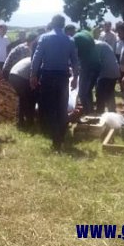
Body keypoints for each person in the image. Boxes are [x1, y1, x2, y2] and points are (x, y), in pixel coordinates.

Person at [31, 14, 79, 150]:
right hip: (63, 77)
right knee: (61, 106)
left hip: (47, 75)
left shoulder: (44, 38)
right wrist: (75, 77)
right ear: (63, 25)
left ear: (52, 23)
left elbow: (36, 58)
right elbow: (75, 60)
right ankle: (60, 135)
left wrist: (33, 75)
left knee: (49, 106)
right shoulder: (69, 40)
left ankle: (54, 136)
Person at [73, 30, 101, 114]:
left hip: (87, 67)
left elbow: (74, 54)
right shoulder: (86, 33)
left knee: (82, 93)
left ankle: (88, 114)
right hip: (96, 66)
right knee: (87, 91)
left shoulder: (75, 38)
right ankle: (90, 112)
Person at [9, 57, 37, 129]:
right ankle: (29, 120)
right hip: (20, 77)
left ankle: (21, 120)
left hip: (12, 74)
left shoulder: (31, 58)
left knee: (23, 98)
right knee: (29, 98)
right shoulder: (38, 61)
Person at [95, 39, 120, 113]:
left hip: (107, 72)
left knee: (100, 94)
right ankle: (112, 112)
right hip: (114, 70)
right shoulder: (102, 44)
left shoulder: (97, 45)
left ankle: (100, 112)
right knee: (109, 92)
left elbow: (96, 61)